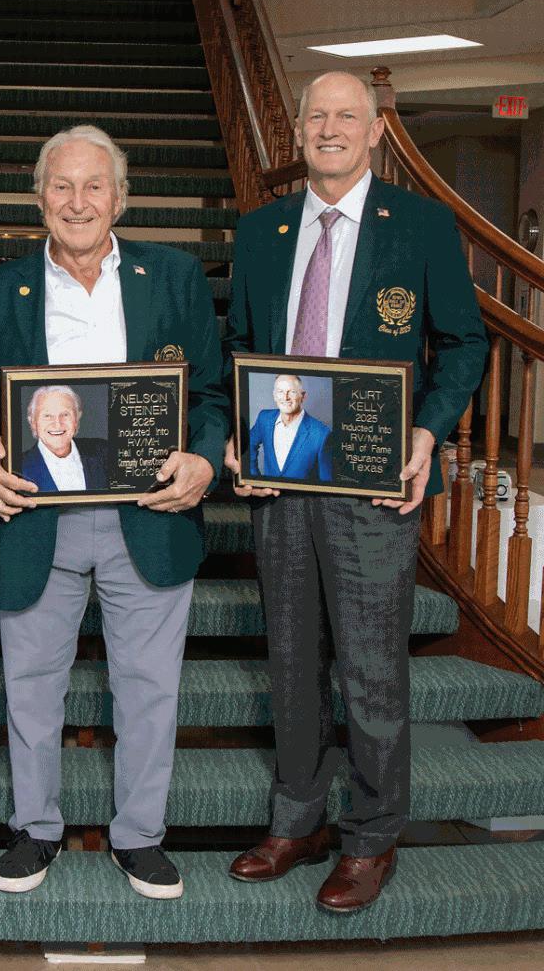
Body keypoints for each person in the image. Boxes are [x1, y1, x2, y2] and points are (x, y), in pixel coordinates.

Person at [223, 71, 487, 913]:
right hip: (280, 477)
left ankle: (372, 838)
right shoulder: (261, 230)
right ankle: (297, 821)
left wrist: (427, 432)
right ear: (297, 130)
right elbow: (241, 344)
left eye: (347, 116)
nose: (330, 128)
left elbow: (464, 343)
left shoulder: (420, 225)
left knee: (372, 668)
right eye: (317, 116)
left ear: (375, 131)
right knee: (292, 660)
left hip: (372, 484)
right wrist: (236, 429)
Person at [0, 125, 229, 898]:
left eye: (94, 186)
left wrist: (205, 460)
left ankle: (139, 836)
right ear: (38, 198)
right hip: (35, 515)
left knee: (149, 688)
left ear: (121, 198)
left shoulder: (173, 277)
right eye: (62, 186)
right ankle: (35, 829)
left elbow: (209, 394)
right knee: (31, 685)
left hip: (150, 513)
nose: (78, 202)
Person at [18, 386, 107, 492]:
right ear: (33, 422)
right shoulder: (17, 468)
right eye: (47, 416)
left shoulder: (104, 452)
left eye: (65, 414)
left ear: (77, 418)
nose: (57, 424)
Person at [246, 374, 331, 481]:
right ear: (274, 395)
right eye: (280, 392)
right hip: (267, 492)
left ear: (303, 396)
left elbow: (326, 481)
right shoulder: (264, 418)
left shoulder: (321, 434)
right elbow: (248, 445)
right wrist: (254, 479)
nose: (285, 397)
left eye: (292, 392)